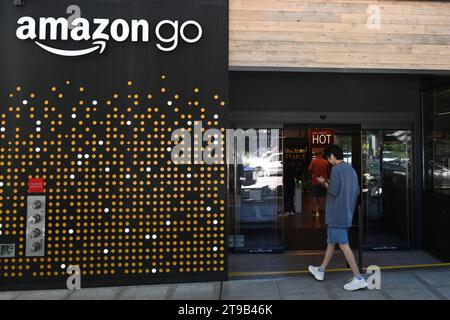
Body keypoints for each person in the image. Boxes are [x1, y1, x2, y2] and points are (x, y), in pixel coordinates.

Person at [308, 145, 368, 291]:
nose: (329, 161)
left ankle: (358, 278)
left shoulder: (336, 169)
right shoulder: (351, 170)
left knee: (343, 244)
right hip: (346, 212)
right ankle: (321, 270)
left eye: (329, 158)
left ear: (333, 157)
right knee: (331, 242)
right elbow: (356, 191)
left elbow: (334, 190)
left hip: (336, 213)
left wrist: (324, 182)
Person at [308, 151, 329, 216]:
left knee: (314, 196)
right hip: (323, 181)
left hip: (315, 181)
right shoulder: (326, 162)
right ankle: (321, 209)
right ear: (322, 155)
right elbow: (328, 171)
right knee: (322, 196)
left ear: (317, 155)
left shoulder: (313, 161)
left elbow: (309, 169)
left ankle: (315, 210)